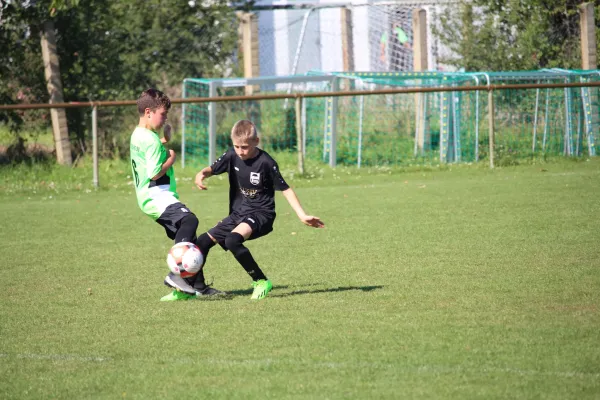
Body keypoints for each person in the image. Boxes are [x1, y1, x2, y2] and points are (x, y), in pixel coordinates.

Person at [188, 119, 325, 301]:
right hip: (239, 213)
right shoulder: (232, 155)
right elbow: (212, 168)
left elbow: (285, 188)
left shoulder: (266, 162)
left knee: (232, 240)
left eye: (244, 147)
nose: (240, 151)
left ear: (256, 141)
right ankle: (197, 287)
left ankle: (261, 281)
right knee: (202, 243)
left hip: (262, 213)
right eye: (237, 146)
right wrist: (201, 174)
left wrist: (302, 215)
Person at [129, 88, 225, 302]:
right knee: (190, 220)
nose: (165, 119)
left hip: (148, 196)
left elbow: (148, 155)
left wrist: (164, 140)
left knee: (187, 236)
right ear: (148, 112)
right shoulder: (150, 139)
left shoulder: (140, 135)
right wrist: (171, 157)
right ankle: (176, 276)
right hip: (156, 194)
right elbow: (155, 172)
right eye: (162, 114)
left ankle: (198, 287)